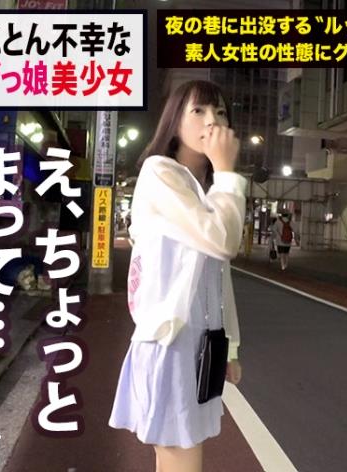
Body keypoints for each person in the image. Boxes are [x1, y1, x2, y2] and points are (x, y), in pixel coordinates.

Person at [108, 80, 245, 472]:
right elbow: (223, 241)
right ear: (174, 122)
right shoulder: (160, 172)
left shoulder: (204, 190)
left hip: (198, 344)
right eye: (198, 111)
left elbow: (219, 276)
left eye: (220, 112)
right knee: (180, 456)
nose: (212, 121)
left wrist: (230, 347)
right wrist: (227, 172)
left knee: (176, 455)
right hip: (171, 343)